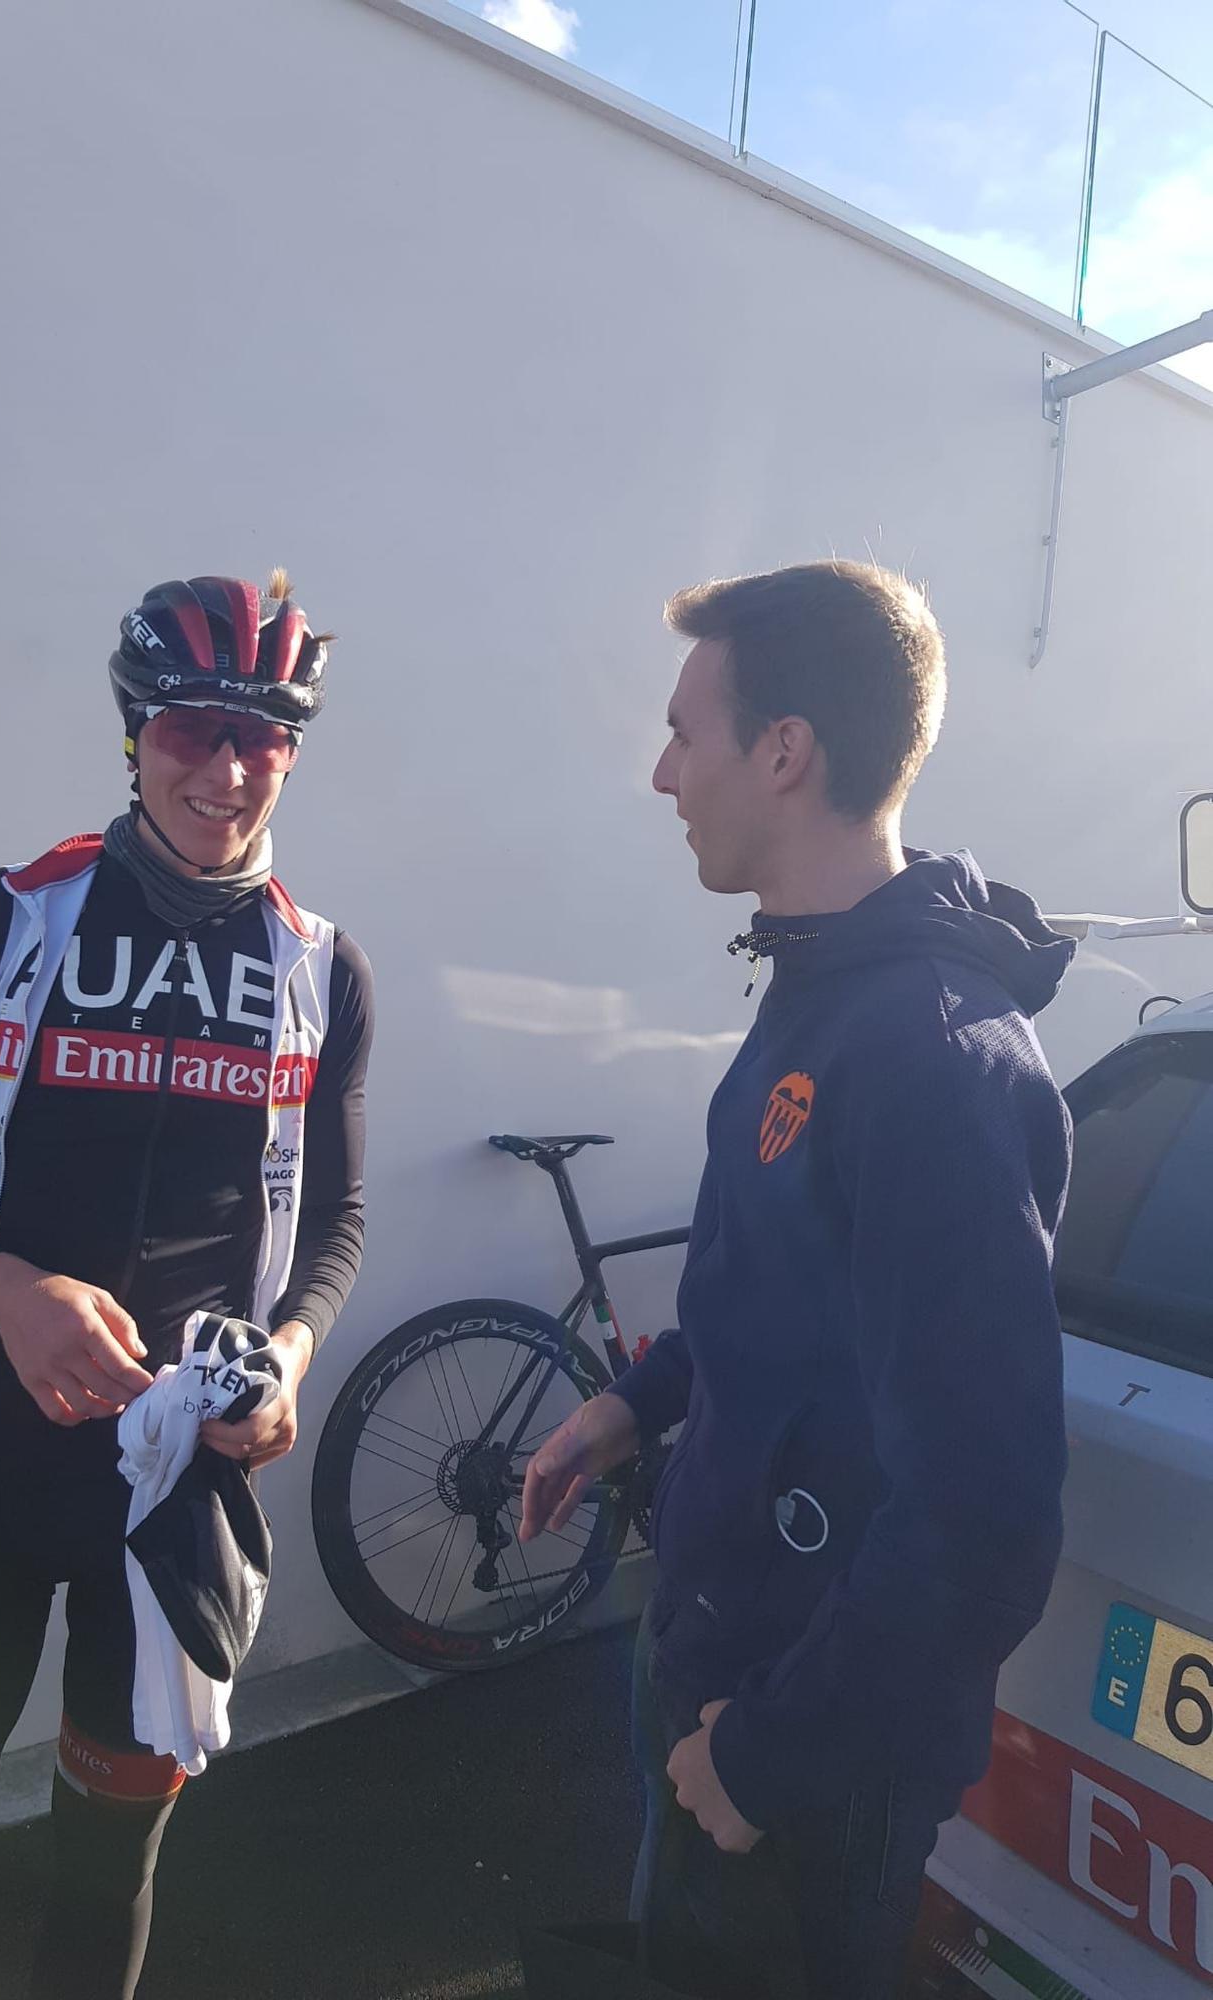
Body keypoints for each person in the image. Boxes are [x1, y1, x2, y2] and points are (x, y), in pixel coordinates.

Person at [0, 571, 374, 2000]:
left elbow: (338, 1218)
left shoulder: (319, 970)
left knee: (105, 1873)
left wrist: (294, 1356)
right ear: (134, 731)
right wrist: (5, 1292)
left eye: (267, 733)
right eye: (193, 728)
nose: (229, 769)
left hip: (173, 1488)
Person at [522, 562, 1073, 2000]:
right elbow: (776, 1291)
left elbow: (984, 1519)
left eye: (684, 731)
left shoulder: (935, 1064)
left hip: (805, 1746)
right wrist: (635, 1406)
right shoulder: (821, 991)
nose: (662, 772)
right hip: (724, 1667)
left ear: (786, 751)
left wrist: (761, 1760)